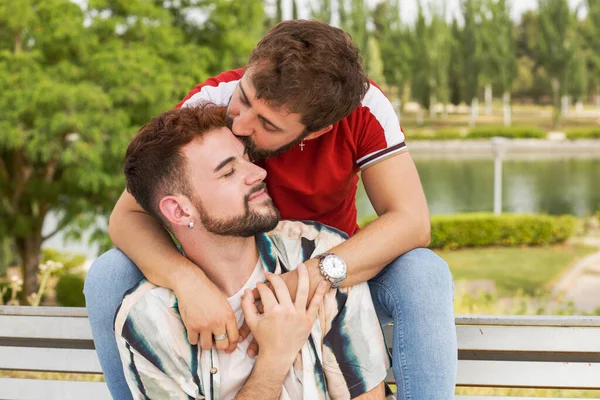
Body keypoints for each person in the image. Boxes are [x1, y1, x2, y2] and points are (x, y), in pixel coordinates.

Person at [85, 19, 456, 399]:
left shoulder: (364, 108)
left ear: (315, 132)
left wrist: (306, 280)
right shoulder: (211, 103)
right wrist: (187, 282)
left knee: (423, 273)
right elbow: (127, 215)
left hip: (331, 275)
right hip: (228, 278)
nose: (240, 125)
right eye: (244, 98)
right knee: (108, 274)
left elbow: (411, 221)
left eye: (266, 123)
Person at [116, 104, 391, 399]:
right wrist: (273, 360)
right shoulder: (149, 321)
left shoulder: (321, 256)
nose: (258, 172)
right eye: (229, 172)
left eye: (246, 158)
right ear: (180, 210)